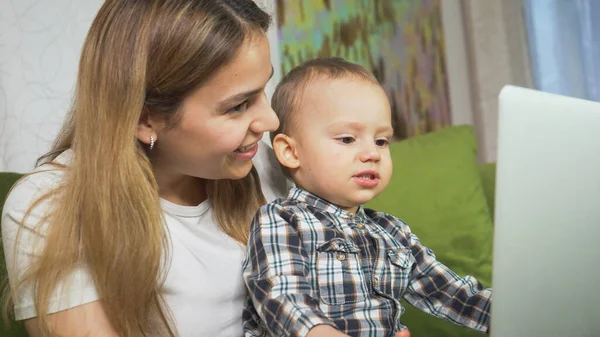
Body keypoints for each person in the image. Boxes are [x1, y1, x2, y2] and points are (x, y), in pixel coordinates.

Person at [1, 1, 291, 336]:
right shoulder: (52, 205)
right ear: (144, 119)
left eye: (264, 89)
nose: (271, 121)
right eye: (238, 106)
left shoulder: (266, 167)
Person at [242, 57, 492, 337]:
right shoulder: (281, 219)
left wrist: (510, 313)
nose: (372, 153)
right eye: (347, 139)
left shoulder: (393, 232)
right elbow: (281, 294)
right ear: (290, 152)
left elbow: (450, 292)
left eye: (381, 141)